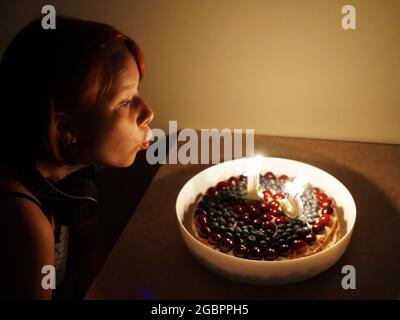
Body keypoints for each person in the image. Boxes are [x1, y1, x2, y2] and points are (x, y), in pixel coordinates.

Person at [0, 16, 154, 299]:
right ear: (65, 130)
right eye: (125, 102)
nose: (148, 113)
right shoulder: (23, 221)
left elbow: (93, 244)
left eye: (138, 93)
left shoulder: (71, 179)